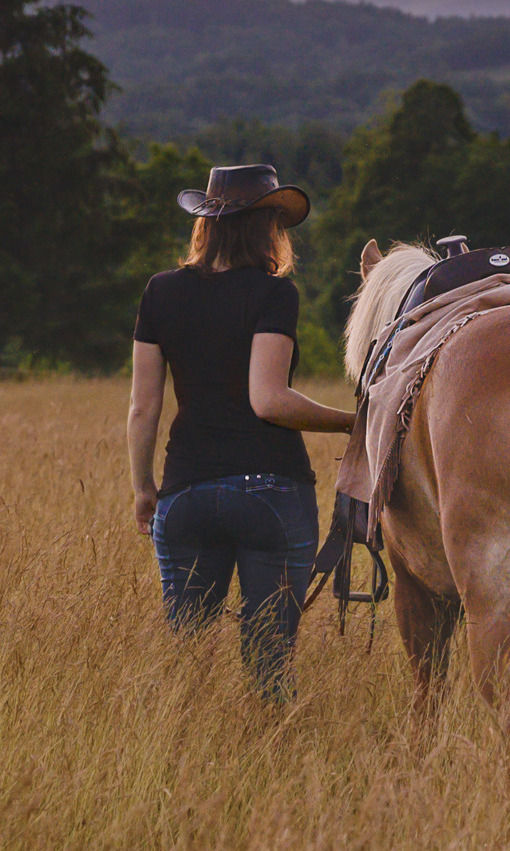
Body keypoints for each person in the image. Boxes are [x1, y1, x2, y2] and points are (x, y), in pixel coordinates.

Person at [127, 164, 354, 697]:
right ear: (264, 227)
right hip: (272, 491)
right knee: (270, 659)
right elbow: (268, 399)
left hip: (185, 492)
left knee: (186, 659)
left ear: (206, 223)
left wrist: (144, 489)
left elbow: (142, 408)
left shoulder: (159, 292)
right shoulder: (274, 294)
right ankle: (271, 756)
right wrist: (351, 422)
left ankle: (178, 758)